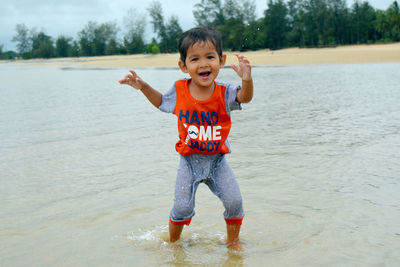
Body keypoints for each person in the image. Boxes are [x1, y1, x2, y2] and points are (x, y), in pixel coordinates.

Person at [119, 26, 253, 250]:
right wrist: (143, 87)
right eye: (195, 59)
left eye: (210, 57)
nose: (203, 64)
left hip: (218, 161)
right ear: (183, 66)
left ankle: (233, 242)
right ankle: (174, 243)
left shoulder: (225, 91)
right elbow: (162, 102)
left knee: (234, 202)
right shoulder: (180, 91)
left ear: (221, 60)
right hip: (189, 162)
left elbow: (244, 98)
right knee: (181, 207)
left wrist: (247, 80)